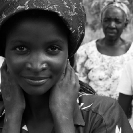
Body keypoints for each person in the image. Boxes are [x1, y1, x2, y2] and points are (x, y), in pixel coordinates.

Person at [0, 0, 132, 133]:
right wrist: (12, 118)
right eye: (21, 48)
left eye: (52, 48)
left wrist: (63, 117)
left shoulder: (103, 115)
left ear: (69, 55)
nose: (36, 66)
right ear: (4, 52)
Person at [76, 0, 133, 99]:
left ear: (125, 23)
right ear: (101, 21)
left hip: (125, 113)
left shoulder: (131, 53)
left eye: (117, 21)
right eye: (107, 20)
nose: (111, 25)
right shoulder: (85, 52)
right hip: (93, 112)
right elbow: (79, 88)